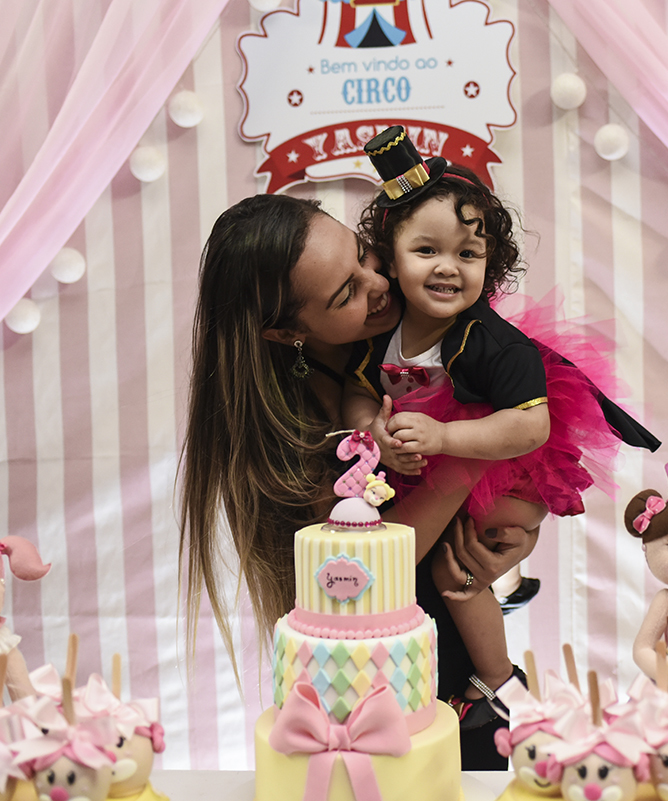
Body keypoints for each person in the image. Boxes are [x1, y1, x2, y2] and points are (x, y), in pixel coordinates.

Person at [178, 191, 536, 769]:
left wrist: (512, 528)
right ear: (284, 332)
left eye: (365, 255)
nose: (380, 283)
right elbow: (372, 566)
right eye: (347, 292)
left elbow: (522, 453)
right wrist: (470, 447)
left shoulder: (421, 340)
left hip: (464, 646)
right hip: (389, 684)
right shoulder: (286, 431)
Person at [342, 127, 661, 722]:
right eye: (427, 250)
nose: (448, 268)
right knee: (420, 560)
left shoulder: (489, 343)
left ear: (491, 263)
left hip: (505, 472)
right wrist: (371, 431)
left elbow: (529, 428)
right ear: (390, 253)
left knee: (452, 569)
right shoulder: (382, 330)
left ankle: (492, 685)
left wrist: (441, 438)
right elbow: (355, 390)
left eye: (468, 254)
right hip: (429, 466)